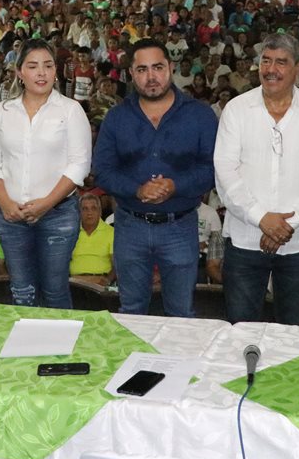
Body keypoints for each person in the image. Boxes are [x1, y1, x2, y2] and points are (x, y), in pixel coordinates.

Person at [215, 34, 299, 326]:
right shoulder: (237, 109)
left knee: (292, 329)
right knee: (241, 328)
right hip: (246, 240)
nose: (271, 69)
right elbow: (225, 170)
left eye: (281, 62)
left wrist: (285, 226)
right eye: (266, 61)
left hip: (298, 242)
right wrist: (261, 219)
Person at [93, 39, 218, 317]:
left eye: (158, 67)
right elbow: (102, 170)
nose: (151, 77)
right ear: (131, 74)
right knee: (131, 310)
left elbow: (212, 169)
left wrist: (176, 185)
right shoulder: (116, 118)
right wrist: (137, 190)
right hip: (130, 226)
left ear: (171, 68)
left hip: (180, 227)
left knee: (181, 313)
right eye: (142, 69)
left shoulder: (199, 115)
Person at [0, 39, 90, 308]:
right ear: (19, 72)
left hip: (58, 215)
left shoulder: (70, 110)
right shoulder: (3, 111)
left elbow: (79, 165)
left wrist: (45, 204)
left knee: (54, 289)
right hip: (11, 215)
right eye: (32, 66)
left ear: (56, 71)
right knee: (21, 291)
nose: (41, 73)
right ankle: (27, 347)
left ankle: (60, 347)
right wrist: (5, 203)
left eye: (48, 66)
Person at [69, 193, 114, 284]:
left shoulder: (112, 232)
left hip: (101, 283)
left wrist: (107, 281)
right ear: (79, 212)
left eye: (94, 208)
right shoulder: (71, 232)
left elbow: (117, 265)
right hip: (74, 283)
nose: (89, 213)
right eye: (85, 209)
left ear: (100, 212)